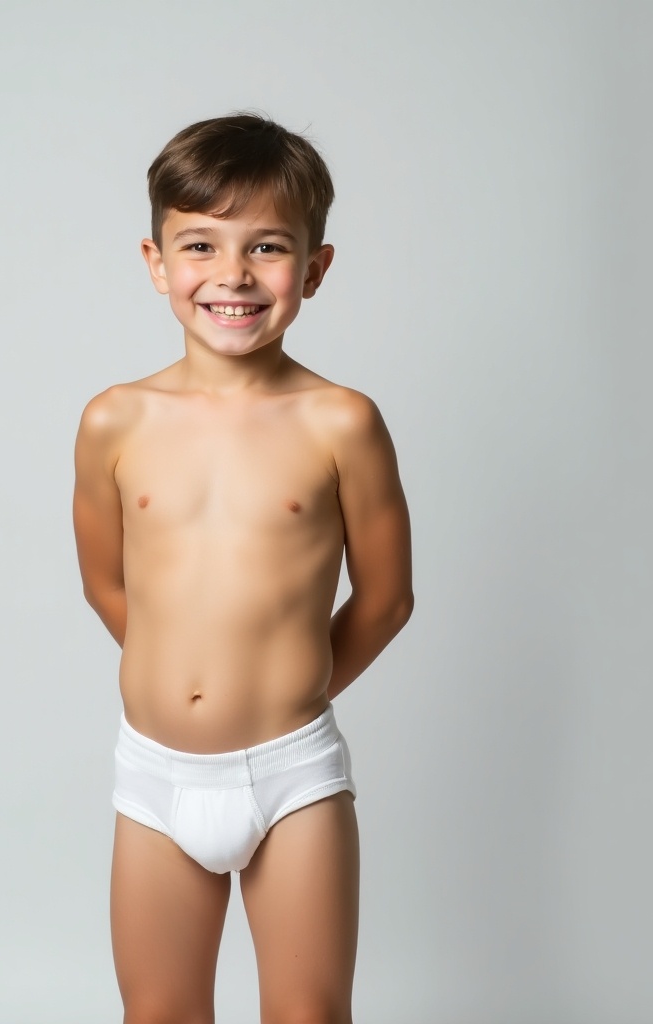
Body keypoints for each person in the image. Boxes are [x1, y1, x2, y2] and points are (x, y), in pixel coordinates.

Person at [73, 112, 413, 1023]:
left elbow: (385, 598)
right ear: (156, 262)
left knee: (308, 1014)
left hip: (291, 774)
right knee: (159, 1012)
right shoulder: (115, 420)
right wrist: (179, 674)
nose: (232, 275)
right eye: (200, 245)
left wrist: (281, 688)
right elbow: (106, 579)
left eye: (266, 247)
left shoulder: (342, 422)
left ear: (314, 268)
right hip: (155, 776)